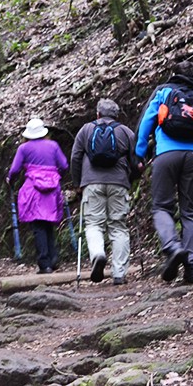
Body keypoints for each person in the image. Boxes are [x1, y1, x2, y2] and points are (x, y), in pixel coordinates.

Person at [134, 60, 193, 285]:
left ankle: (173, 247)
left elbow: (146, 123)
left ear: (174, 74)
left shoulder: (164, 94)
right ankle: (192, 267)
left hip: (166, 155)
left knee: (162, 206)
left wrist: (139, 154)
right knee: (191, 212)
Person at [69, 98, 142, 285]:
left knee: (94, 224)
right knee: (118, 226)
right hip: (118, 182)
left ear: (98, 114)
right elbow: (136, 160)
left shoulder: (86, 130)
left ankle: (98, 254)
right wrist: (131, 180)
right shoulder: (125, 132)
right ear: (116, 115)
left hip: (91, 183)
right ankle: (119, 274)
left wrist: (78, 183)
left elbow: (75, 157)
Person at [6, 118, 69, 273]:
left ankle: (44, 263)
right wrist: (54, 176)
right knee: (49, 224)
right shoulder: (53, 146)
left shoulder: (23, 148)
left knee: (38, 226)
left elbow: (14, 170)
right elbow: (64, 165)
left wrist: (10, 179)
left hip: (33, 190)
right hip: (52, 189)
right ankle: (53, 258)